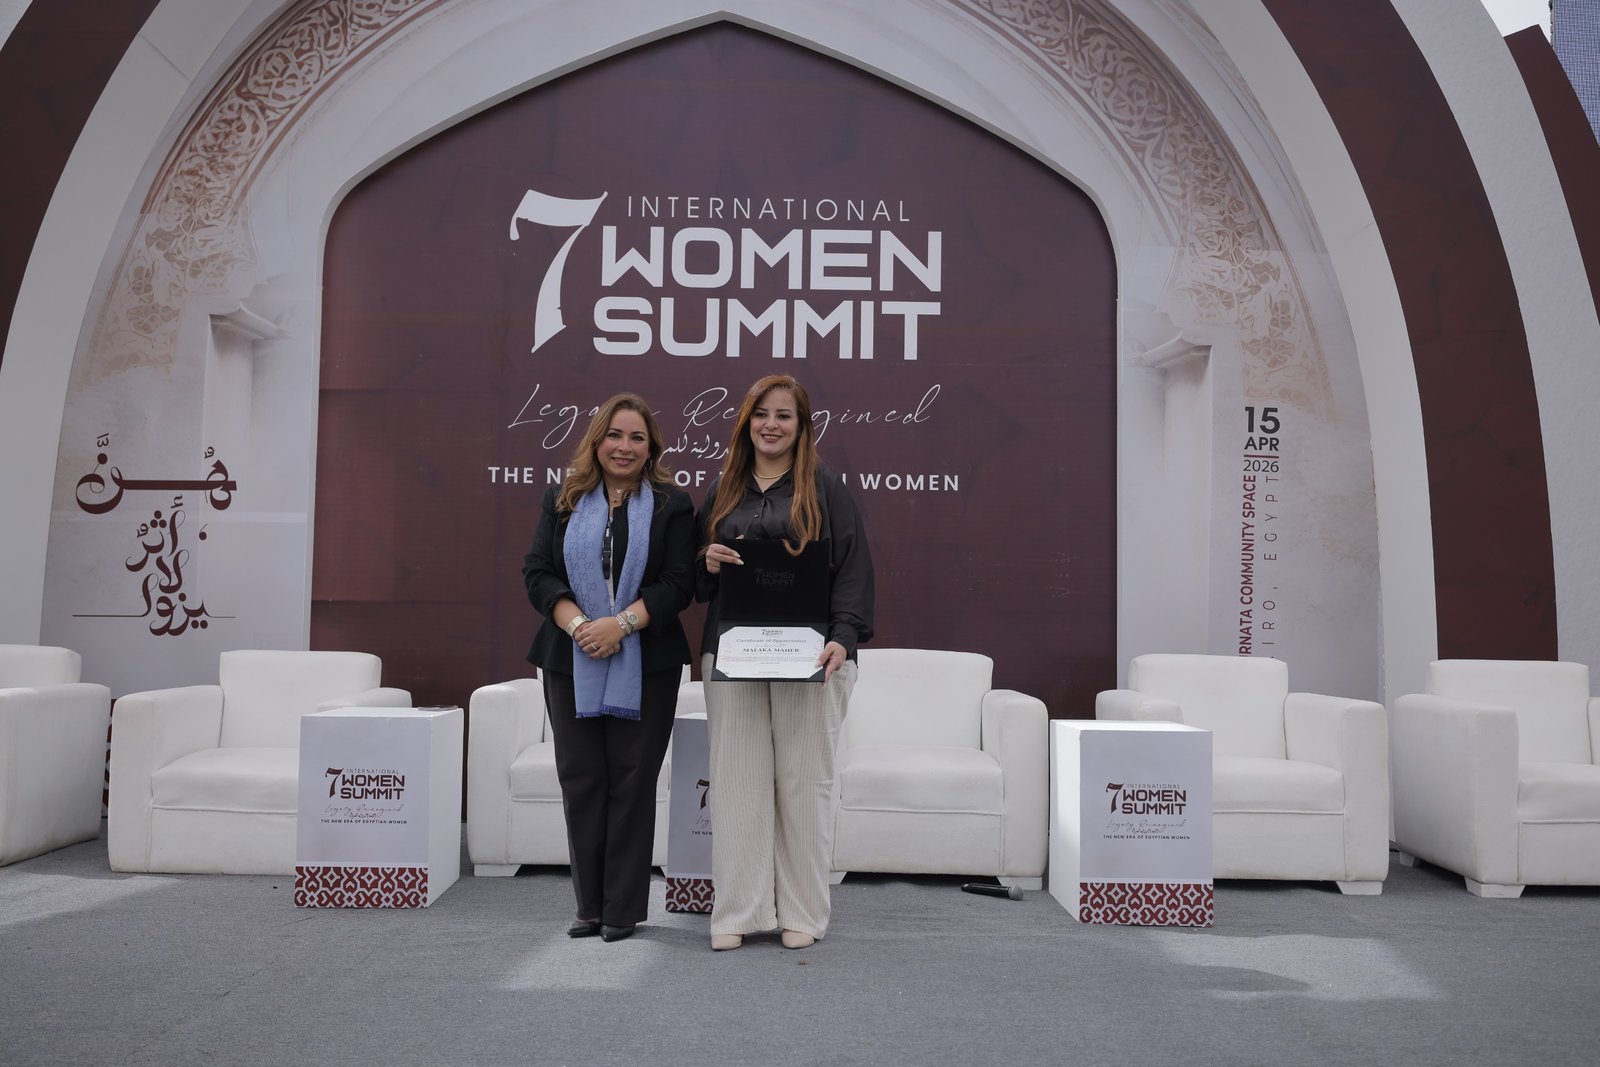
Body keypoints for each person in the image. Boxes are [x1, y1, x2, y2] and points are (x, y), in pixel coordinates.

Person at [696, 374, 875, 951]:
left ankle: (803, 912)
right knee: (736, 783)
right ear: (746, 422)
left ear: (802, 426)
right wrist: (708, 560)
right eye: (761, 414)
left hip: (812, 658)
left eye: (784, 415)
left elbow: (853, 568)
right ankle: (737, 912)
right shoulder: (724, 487)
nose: (770, 425)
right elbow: (693, 577)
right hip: (734, 655)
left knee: (804, 784)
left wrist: (843, 638)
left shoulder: (826, 487)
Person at [522, 393, 695, 943]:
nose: (624, 447)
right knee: (582, 779)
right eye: (614, 435)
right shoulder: (562, 499)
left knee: (633, 781)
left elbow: (679, 584)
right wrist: (581, 627)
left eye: (636, 438)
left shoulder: (671, 505)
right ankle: (590, 907)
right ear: (597, 441)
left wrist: (618, 625)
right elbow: (538, 573)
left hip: (649, 660)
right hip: (568, 657)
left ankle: (622, 909)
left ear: (651, 448)